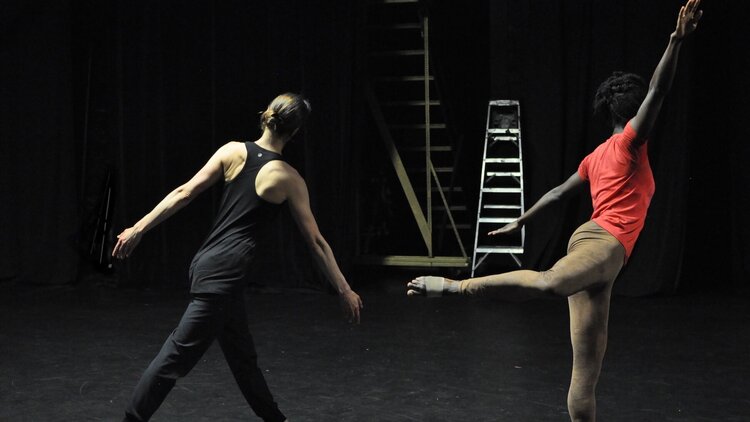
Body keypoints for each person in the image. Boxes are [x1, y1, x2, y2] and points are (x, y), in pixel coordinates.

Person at [406, 1, 702, 421]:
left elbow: (559, 194)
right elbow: (658, 91)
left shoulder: (596, 155)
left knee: (585, 374)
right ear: (632, 113)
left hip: (601, 253)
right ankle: (457, 287)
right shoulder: (628, 145)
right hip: (602, 244)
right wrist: (675, 41)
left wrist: (522, 220)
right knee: (549, 283)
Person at [113, 93, 363, 422]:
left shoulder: (232, 151)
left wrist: (138, 227)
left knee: (242, 358)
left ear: (266, 116)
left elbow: (184, 192)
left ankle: (276, 419)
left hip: (209, 265)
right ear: (296, 132)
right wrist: (344, 289)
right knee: (175, 357)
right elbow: (316, 241)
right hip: (224, 276)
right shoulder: (288, 178)